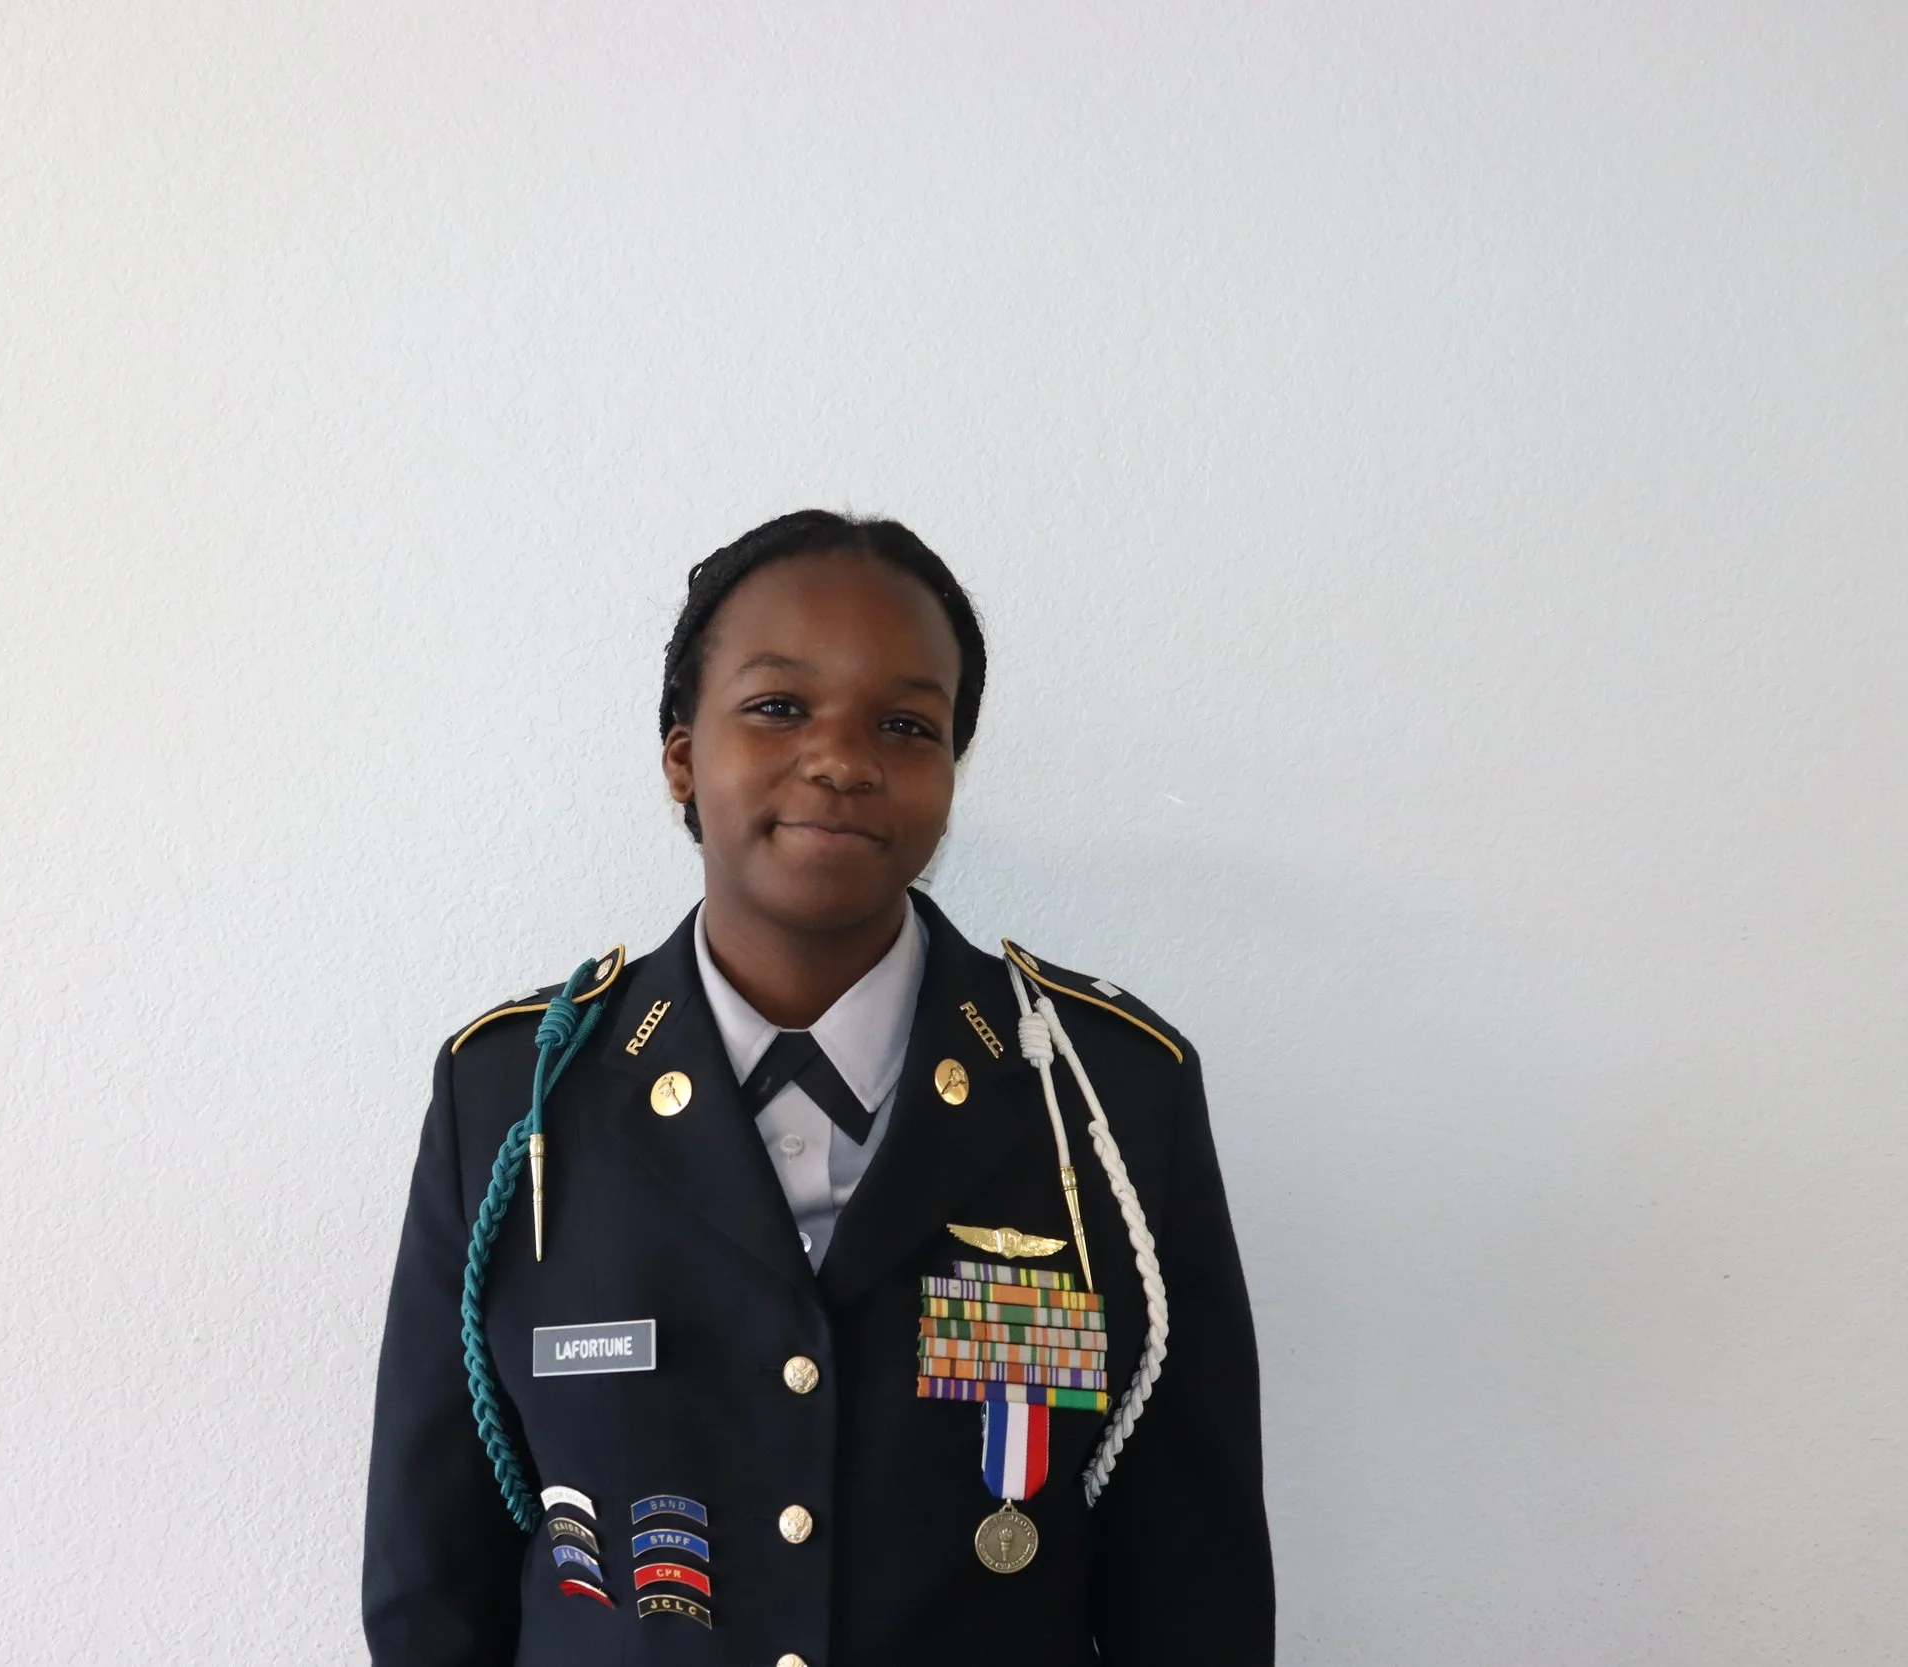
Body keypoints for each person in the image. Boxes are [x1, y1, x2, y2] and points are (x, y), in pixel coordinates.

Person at [362, 510, 1272, 1665]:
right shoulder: (515, 1098)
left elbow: (1194, 1580)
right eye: (778, 706)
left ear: (950, 772)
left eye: (905, 723)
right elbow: (429, 1576)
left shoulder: (1103, 1097)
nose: (842, 759)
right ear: (682, 752)